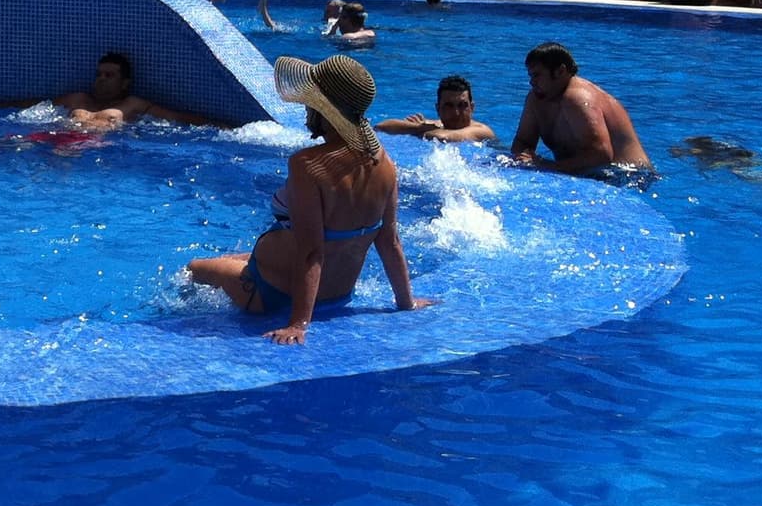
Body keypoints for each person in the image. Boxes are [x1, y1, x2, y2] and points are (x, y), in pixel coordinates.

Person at [186, 55, 430, 342]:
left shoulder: (309, 165)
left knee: (194, 269)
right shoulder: (383, 163)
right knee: (231, 257)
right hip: (338, 293)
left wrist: (298, 323)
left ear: (321, 107)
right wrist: (406, 303)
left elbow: (312, 251)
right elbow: (389, 241)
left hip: (275, 293)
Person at [510, 42, 653, 181]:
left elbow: (601, 155)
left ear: (560, 71)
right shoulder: (537, 98)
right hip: (595, 175)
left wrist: (547, 166)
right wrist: (522, 158)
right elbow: (523, 141)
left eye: (537, 75)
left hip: (629, 176)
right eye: (530, 76)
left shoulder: (578, 98)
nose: (532, 82)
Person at [51, 52, 207, 129]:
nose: (101, 78)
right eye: (99, 74)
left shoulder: (132, 105)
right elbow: (35, 105)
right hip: (56, 136)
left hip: (90, 146)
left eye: (109, 75)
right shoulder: (77, 99)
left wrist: (221, 125)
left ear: (124, 83)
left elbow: (176, 117)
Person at [375, 74, 495, 143]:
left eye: (462, 105)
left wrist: (419, 129)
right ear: (438, 109)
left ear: (472, 107)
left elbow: (442, 137)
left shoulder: (482, 131)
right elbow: (381, 127)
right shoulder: (435, 126)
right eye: (449, 106)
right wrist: (416, 127)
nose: (456, 112)